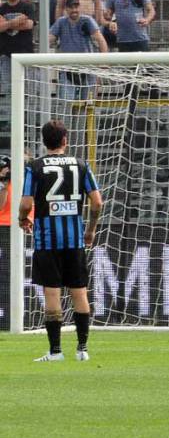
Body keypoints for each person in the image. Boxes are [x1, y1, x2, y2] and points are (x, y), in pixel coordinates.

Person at [20, 121, 101, 361]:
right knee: (80, 293)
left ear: (44, 141)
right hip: (74, 241)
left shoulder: (34, 167)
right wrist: (91, 230)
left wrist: (22, 219)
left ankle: (55, 351)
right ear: (65, 139)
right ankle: (82, 350)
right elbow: (97, 202)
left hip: (47, 242)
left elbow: (25, 203)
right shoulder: (81, 165)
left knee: (52, 295)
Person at [49, 0, 107, 108]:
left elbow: (101, 41)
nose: (74, 10)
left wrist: (103, 62)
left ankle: (83, 126)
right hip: (67, 70)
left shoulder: (87, 21)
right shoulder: (61, 22)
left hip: (88, 70)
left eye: (76, 6)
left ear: (80, 7)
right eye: (71, 7)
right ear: (66, 9)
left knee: (88, 107)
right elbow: (49, 39)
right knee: (65, 107)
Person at [0, 0, 35, 103]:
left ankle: (25, 121)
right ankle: (11, 122)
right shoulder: (1, 8)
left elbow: (29, 25)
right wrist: (15, 22)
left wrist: (6, 24)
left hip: (25, 56)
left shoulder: (27, 6)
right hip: (7, 57)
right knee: (9, 93)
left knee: (27, 92)